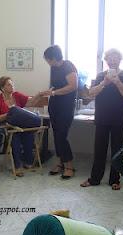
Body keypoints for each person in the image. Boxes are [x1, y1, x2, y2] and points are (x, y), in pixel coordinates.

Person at [80, 48, 123, 190]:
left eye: (115, 57)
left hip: (119, 117)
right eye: (109, 58)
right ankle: (94, 179)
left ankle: (115, 180)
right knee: (99, 149)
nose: (112, 60)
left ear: (120, 59)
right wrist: (104, 83)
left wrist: (117, 82)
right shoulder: (100, 76)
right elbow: (91, 93)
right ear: (106, 60)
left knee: (117, 149)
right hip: (102, 117)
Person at [0, 76, 44, 177]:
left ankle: (28, 162)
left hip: (21, 125)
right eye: (9, 85)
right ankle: (18, 166)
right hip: (8, 126)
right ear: (2, 88)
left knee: (28, 134)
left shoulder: (17, 95)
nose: (12, 86)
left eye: (12, 84)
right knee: (15, 137)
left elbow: (30, 102)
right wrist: (8, 114)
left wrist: (39, 95)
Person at [43, 45, 77, 179]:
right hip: (54, 105)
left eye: (47, 59)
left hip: (66, 106)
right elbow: (55, 86)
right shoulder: (53, 68)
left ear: (54, 57)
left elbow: (72, 86)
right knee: (56, 134)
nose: (47, 62)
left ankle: (69, 165)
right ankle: (60, 163)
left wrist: (54, 92)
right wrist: (47, 92)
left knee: (61, 136)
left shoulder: (68, 66)